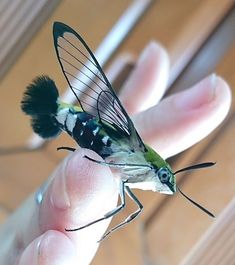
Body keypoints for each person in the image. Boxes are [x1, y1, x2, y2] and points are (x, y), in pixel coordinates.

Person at [0, 41, 231, 265]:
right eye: (162, 178)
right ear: (154, 170)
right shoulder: (139, 158)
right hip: (90, 133)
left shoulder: (134, 178)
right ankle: (56, 112)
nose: (163, 186)